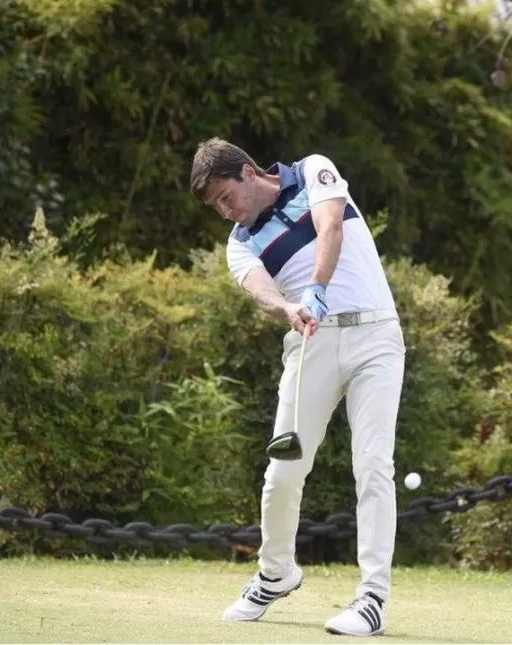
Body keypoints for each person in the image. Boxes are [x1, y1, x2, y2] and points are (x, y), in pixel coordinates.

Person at [190, 137, 406, 637]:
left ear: (247, 173)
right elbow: (259, 288)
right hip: (313, 342)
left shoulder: (313, 170)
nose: (224, 212)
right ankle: (276, 572)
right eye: (216, 206)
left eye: (225, 197)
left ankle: (372, 597)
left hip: (376, 335)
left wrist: (316, 287)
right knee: (283, 470)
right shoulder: (239, 242)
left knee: (373, 465)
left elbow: (331, 224)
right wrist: (288, 308)